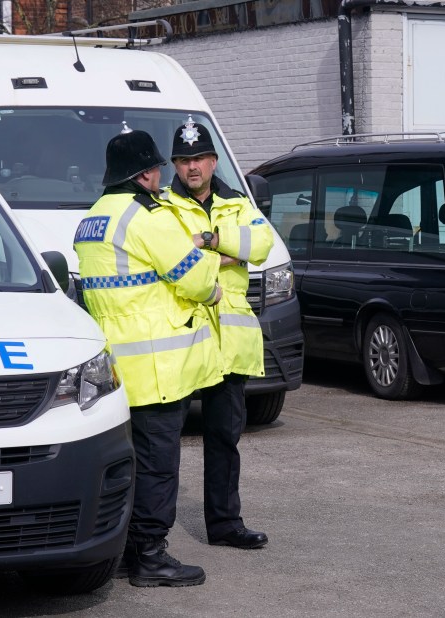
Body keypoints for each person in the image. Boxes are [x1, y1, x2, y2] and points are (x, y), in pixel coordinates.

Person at [73, 126, 224, 588]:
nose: (162, 174)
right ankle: (152, 556)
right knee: (159, 465)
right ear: (144, 174)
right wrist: (212, 285)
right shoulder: (148, 216)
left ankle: (124, 550)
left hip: (116, 366)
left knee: (127, 466)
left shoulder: (93, 217)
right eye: (157, 167)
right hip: (157, 366)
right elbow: (193, 278)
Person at [162, 116, 274, 550]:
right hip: (183, 338)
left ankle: (225, 525)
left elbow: (263, 246)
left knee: (225, 438)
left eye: (199, 159)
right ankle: (153, 536)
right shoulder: (164, 206)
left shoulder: (236, 202)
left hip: (228, 342)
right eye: (184, 160)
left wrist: (208, 240)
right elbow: (169, 261)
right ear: (175, 163)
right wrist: (230, 254)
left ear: (213, 161)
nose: (192, 168)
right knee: (164, 443)